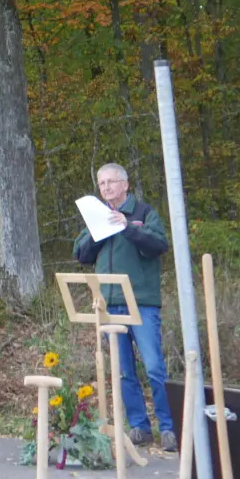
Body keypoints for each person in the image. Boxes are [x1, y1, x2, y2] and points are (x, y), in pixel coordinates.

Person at [74, 162, 176, 451]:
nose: (106, 187)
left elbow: (159, 245)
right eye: (101, 183)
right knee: (123, 371)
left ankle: (169, 428)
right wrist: (97, 233)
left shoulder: (143, 213)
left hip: (142, 303)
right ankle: (140, 428)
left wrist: (128, 228)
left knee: (154, 368)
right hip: (109, 304)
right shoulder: (97, 218)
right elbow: (80, 254)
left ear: (125, 185)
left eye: (111, 182)